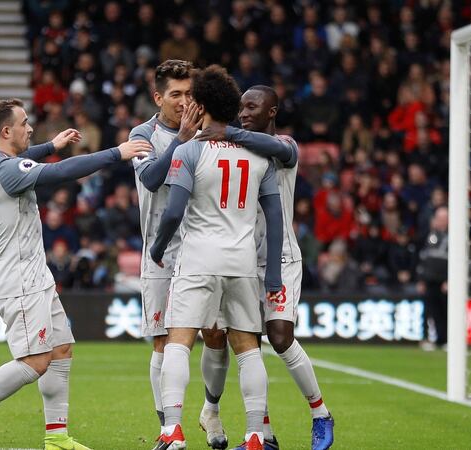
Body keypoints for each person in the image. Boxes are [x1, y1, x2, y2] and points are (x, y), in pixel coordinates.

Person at [0, 98, 150, 450]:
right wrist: (117, 152)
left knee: (61, 349)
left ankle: (56, 437)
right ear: (7, 131)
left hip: (33, 274)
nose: (30, 128)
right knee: (35, 361)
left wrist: (49, 146)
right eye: (25, 123)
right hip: (18, 279)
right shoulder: (7, 171)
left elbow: (23, 162)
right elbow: (60, 173)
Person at [149, 66, 283, 450]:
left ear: (201, 104)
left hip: (197, 260)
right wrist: (272, 275)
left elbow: (173, 212)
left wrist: (158, 248)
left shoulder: (190, 150)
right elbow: (273, 220)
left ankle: (172, 431)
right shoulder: (259, 155)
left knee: (178, 342)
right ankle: (256, 435)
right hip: (241, 262)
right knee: (247, 348)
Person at [197, 85, 335, 450]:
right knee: (248, 346)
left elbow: (278, 149)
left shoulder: (286, 145)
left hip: (283, 259)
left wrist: (228, 131)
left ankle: (320, 413)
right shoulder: (237, 147)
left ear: (271, 112)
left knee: (280, 336)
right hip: (242, 259)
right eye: (240, 107)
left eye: (251, 107)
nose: (243, 112)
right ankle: (264, 434)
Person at [128, 59, 203, 449]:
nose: (184, 101)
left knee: (218, 336)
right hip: (158, 255)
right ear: (158, 97)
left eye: (190, 93)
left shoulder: (209, 130)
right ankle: (168, 430)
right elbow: (151, 178)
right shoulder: (142, 133)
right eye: (176, 94)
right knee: (162, 342)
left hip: (202, 252)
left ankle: (215, 416)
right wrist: (181, 140)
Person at [417, 206, 449, 350]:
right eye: (439, 218)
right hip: (430, 280)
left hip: (445, 282)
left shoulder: (455, 237)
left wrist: (450, 280)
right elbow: (423, 258)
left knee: (446, 311)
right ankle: (429, 339)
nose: (441, 221)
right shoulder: (430, 236)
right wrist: (421, 279)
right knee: (429, 311)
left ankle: (445, 340)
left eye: (444, 218)